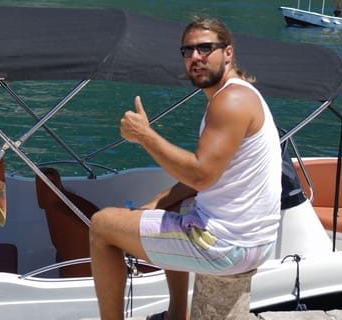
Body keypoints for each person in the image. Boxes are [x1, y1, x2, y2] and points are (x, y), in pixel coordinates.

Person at [89, 16, 282, 320]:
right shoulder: (239, 93)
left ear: (228, 53)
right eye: (188, 51)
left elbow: (201, 176)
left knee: (101, 226)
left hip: (227, 245)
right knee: (174, 206)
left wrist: (145, 136)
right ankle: (178, 313)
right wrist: (158, 202)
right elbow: (208, 175)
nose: (195, 57)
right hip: (255, 240)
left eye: (205, 48)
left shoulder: (230, 101)